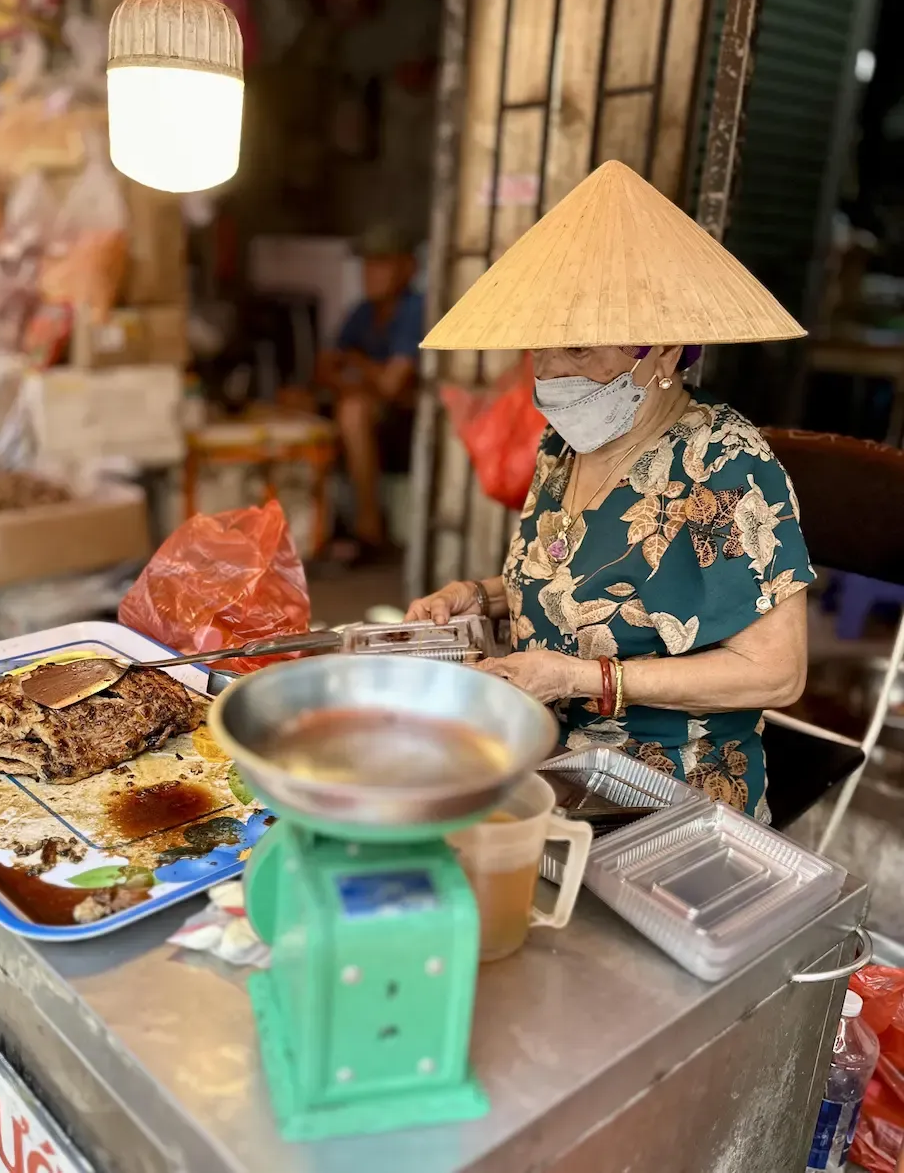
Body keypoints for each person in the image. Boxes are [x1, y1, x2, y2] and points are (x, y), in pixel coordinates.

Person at [406, 160, 813, 819]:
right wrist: (474, 595)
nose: (551, 375)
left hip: (666, 789)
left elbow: (777, 672)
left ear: (660, 351)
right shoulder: (566, 446)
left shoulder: (725, 468)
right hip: (545, 754)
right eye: (543, 351)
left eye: (581, 352)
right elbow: (577, 581)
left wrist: (580, 678)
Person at [316, 224, 422, 564]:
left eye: (381, 264)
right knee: (298, 402)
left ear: (407, 268)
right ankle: (318, 525)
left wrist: (358, 364)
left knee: (353, 410)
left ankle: (368, 524)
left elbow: (393, 385)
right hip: (372, 405)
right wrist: (357, 375)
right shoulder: (363, 311)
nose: (370, 274)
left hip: (408, 420)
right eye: (367, 265)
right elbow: (323, 370)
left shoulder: (415, 309)